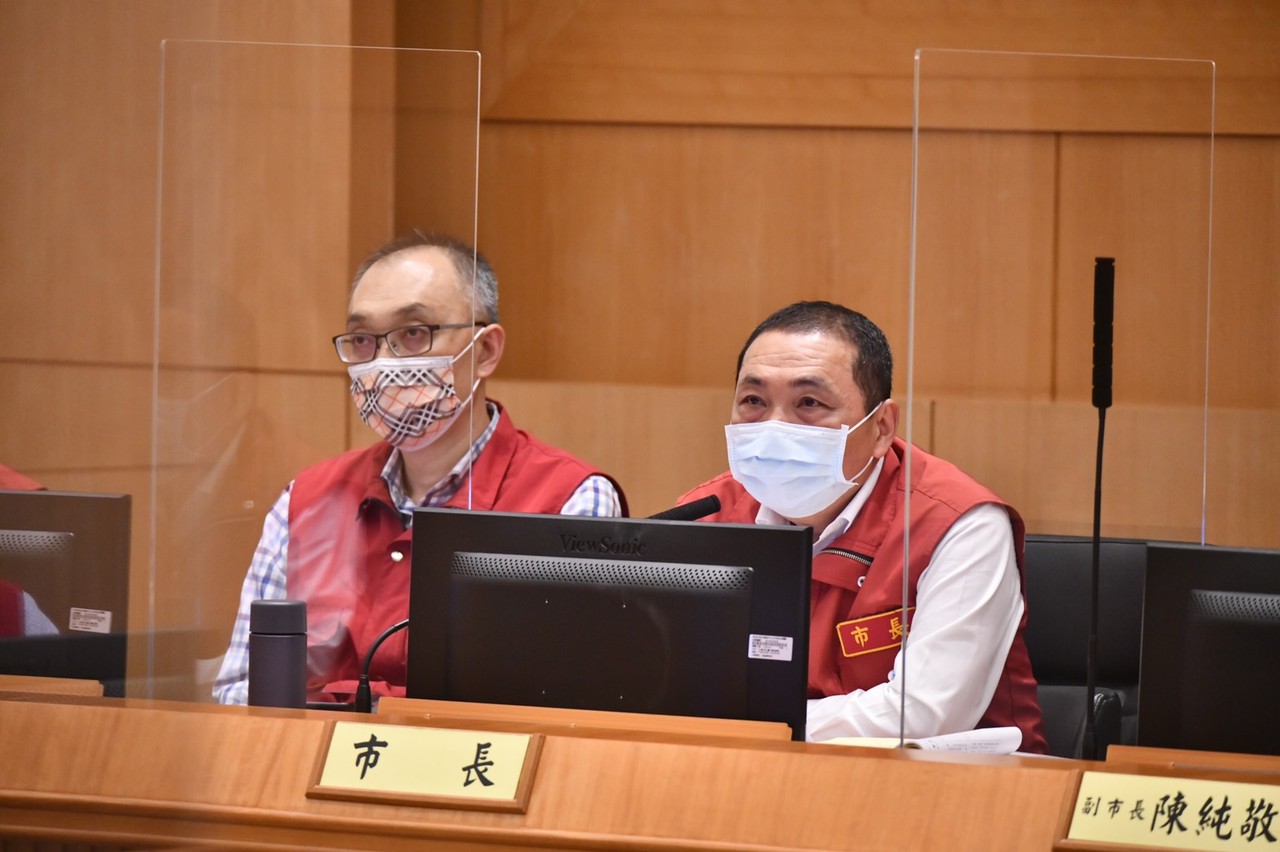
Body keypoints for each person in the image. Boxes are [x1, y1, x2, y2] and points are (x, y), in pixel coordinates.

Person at [213, 232, 627, 705]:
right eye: (363, 340)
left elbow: (568, 707)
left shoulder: (571, 501)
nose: (382, 363)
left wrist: (355, 706)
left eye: (413, 333)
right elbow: (240, 693)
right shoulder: (304, 501)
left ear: (486, 351)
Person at [679, 301, 1047, 752]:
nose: (774, 427)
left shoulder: (959, 524)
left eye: (809, 403)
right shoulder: (704, 515)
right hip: (748, 774)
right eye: (754, 401)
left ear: (881, 428)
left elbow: (921, 715)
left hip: (946, 786)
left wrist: (741, 721)